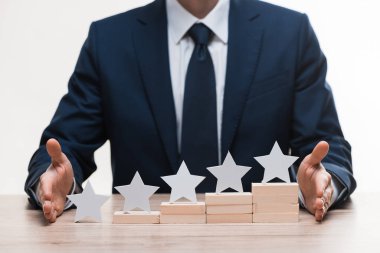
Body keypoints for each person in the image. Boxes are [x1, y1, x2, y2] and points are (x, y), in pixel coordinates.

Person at [25, 0, 356, 223]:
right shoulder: (110, 40)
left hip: (260, 238)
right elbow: (63, 149)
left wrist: (323, 182)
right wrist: (54, 182)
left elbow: (327, 150)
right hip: (147, 241)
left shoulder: (290, 34)